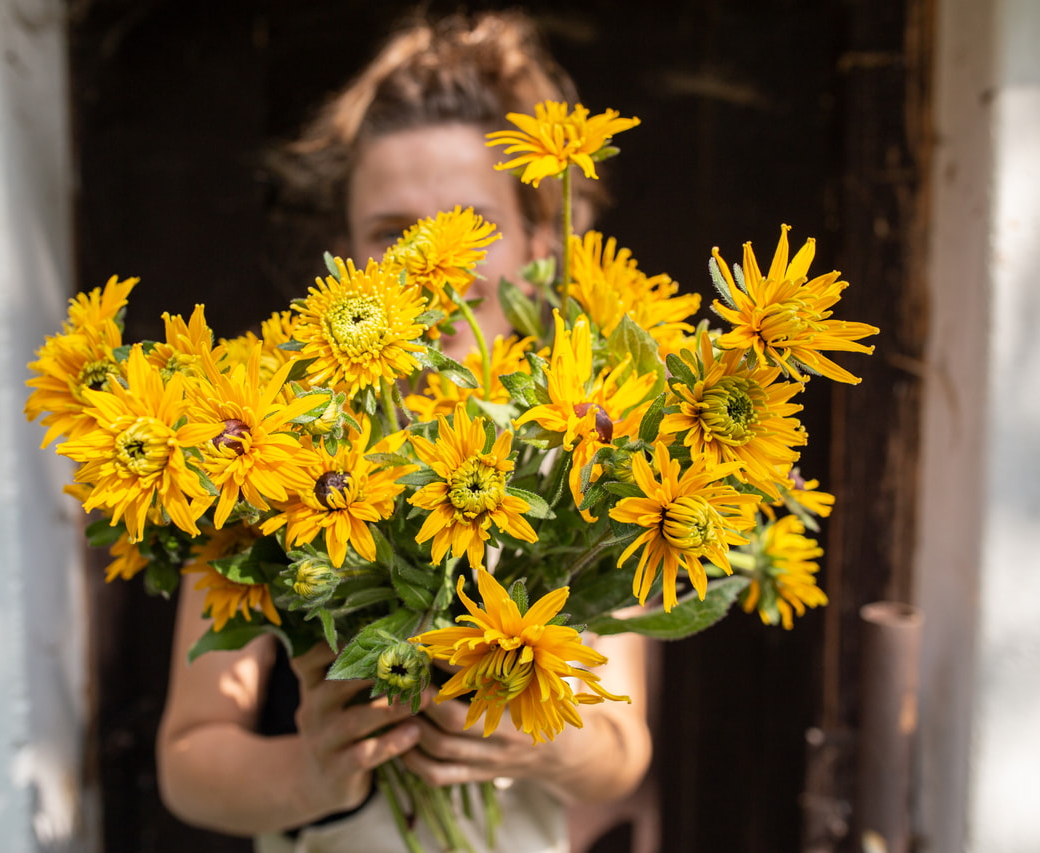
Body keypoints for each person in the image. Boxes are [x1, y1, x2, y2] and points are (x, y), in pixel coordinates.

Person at [156, 11, 652, 852]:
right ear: (346, 253)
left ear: (538, 242)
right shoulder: (262, 448)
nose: (430, 259)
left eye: (467, 223)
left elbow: (622, 755)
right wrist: (311, 772)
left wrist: (549, 739)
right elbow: (189, 758)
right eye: (392, 232)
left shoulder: (592, 445)